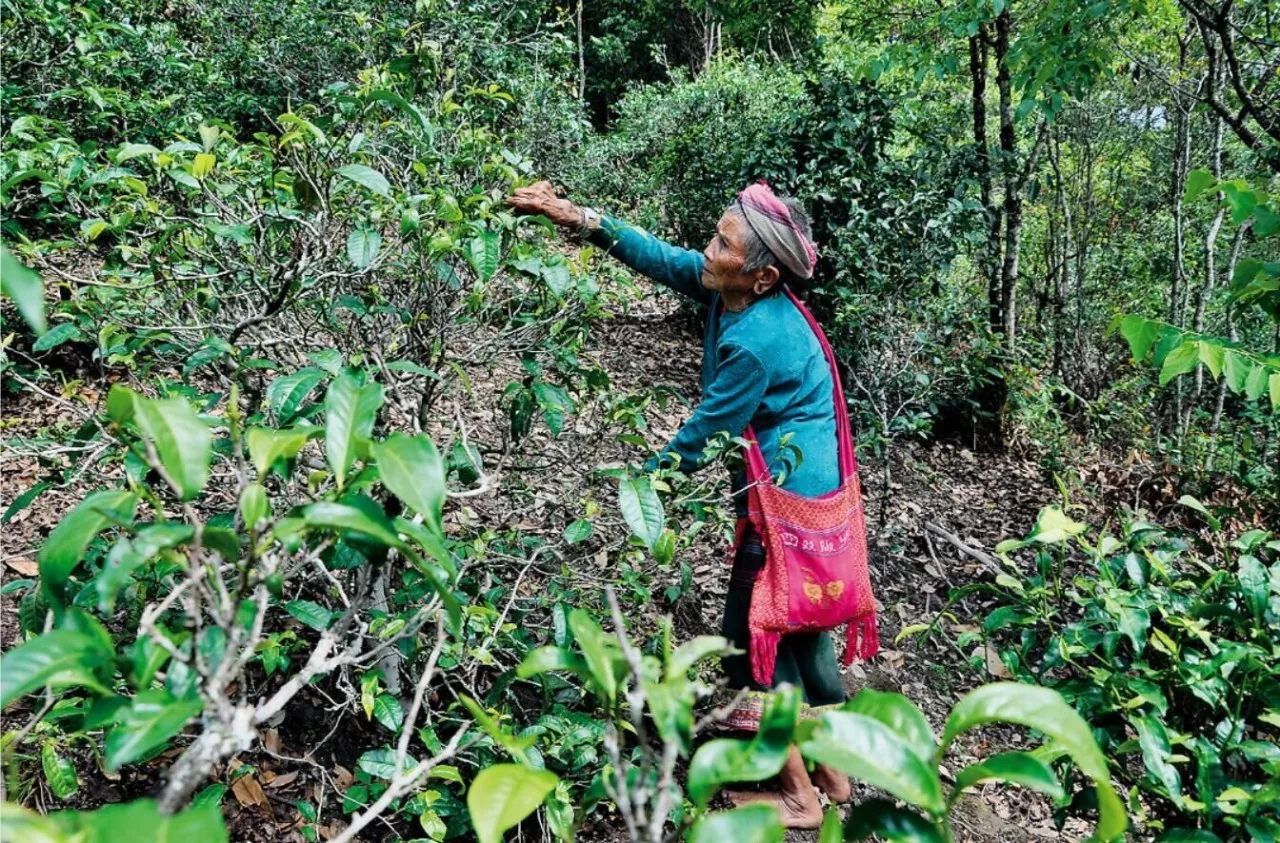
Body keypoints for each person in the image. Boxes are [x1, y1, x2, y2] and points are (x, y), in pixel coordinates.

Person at [506, 180, 850, 828]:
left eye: (722, 242)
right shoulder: (737, 291)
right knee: (806, 636)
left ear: (764, 275)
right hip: (818, 494)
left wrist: (635, 489)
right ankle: (837, 772)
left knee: (759, 640)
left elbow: (705, 431)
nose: (706, 247)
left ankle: (801, 793)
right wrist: (574, 215)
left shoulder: (755, 341)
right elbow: (662, 258)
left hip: (786, 503)